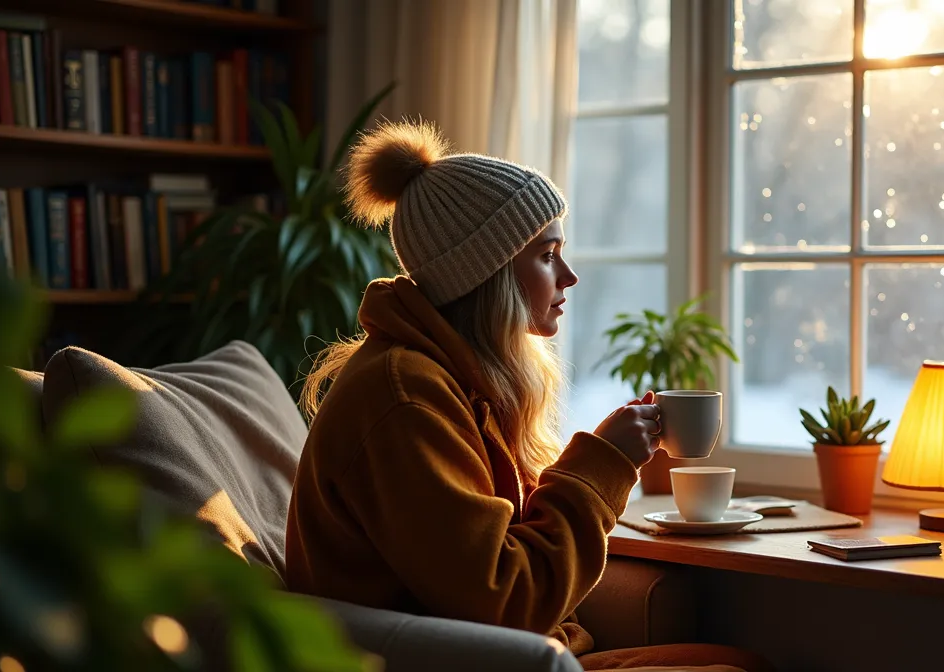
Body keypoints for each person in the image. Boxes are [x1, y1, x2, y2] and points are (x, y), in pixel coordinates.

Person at [284, 121, 773, 672]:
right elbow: (507, 601)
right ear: (486, 274)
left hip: (529, 656)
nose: (569, 276)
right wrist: (604, 464)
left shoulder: (454, 377)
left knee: (741, 663)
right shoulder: (405, 399)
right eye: (547, 254)